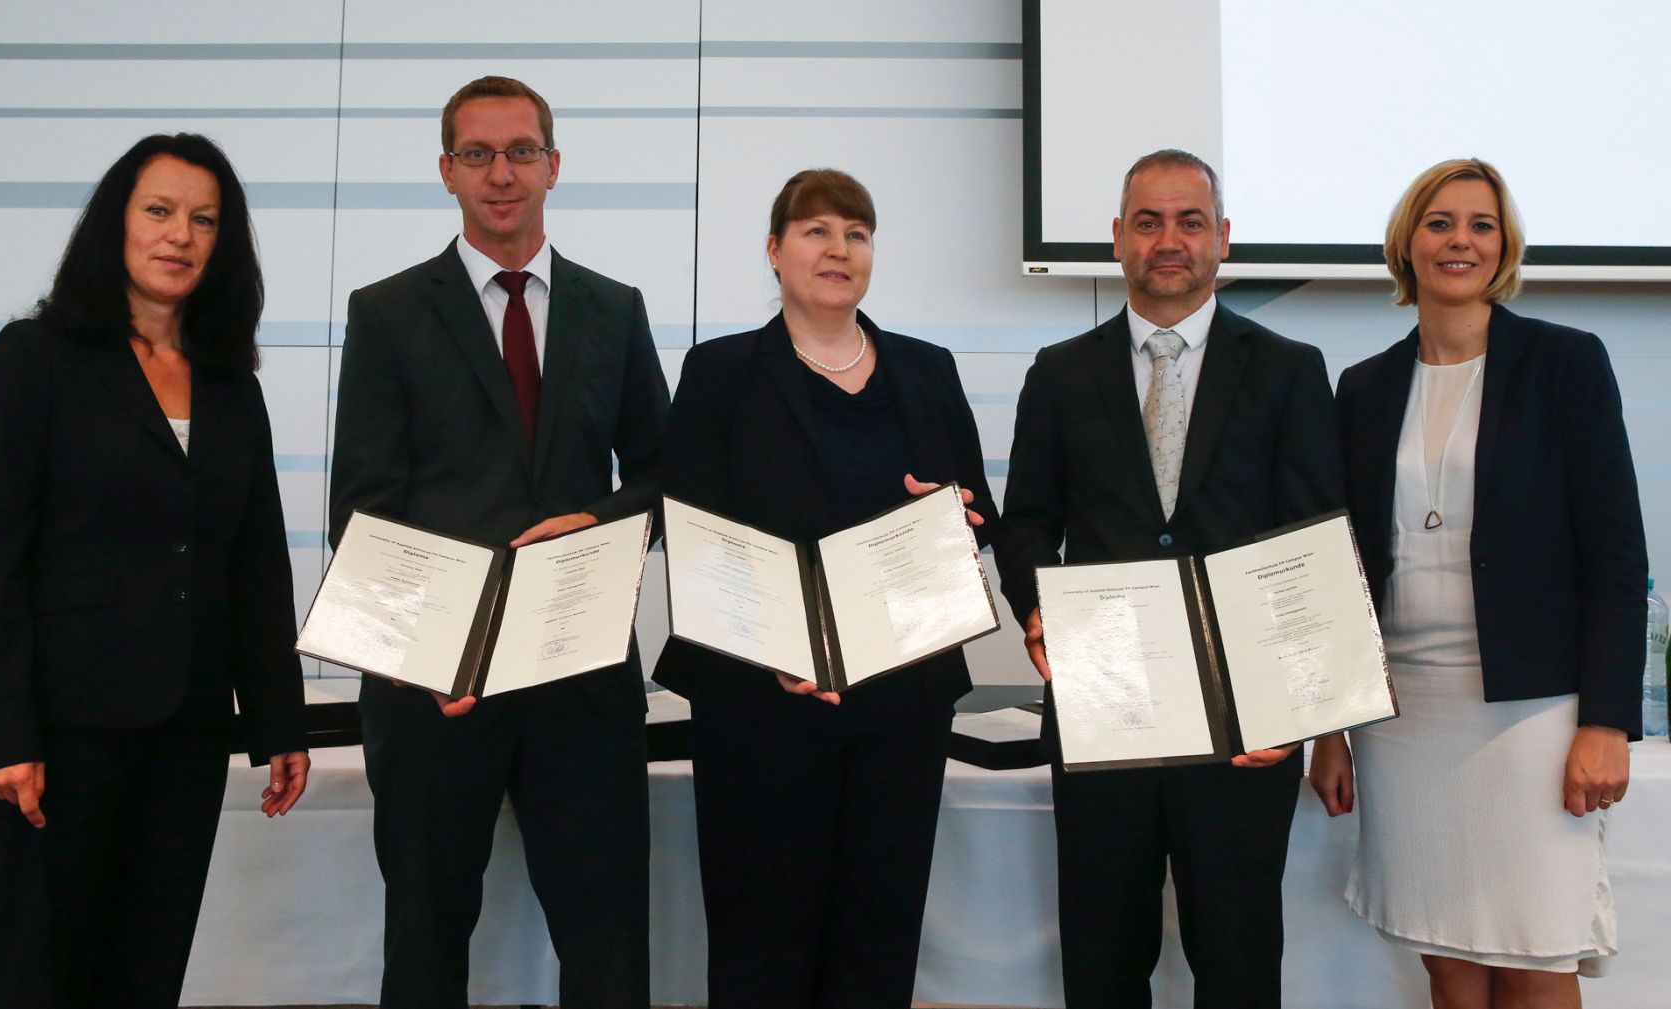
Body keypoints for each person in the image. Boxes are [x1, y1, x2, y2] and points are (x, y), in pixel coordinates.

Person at [328, 75, 669, 1009]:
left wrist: (597, 523)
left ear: (554, 166)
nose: (501, 173)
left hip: (580, 675)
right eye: (477, 154)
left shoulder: (614, 307)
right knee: (427, 942)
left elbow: (665, 479)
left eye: (521, 151)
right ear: (446, 173)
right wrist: (424, 650)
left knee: (606, 947)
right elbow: (361, 512)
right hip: (436, 689)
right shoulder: (387, 312)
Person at [0, 132, 310, 1008]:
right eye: (159, 211)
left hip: (185, 731)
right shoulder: (35, 358)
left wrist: (278, 715)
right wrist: (1, 735)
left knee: (147, 975)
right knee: (44, 976)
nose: (179, 235)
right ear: (116, 221)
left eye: (203, 219)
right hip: (57, 739)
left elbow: (254, 559)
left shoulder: (231, 381)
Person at [996, 149, 1342, 1009]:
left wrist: (1305, 706)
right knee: (1104, 963)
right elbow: (1030, 519)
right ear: (1117, 239)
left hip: (1244, 717)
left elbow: (1315, 540)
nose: (1169, 240)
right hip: (1103, 703)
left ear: (1223, 239)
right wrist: (1040, 610)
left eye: (1190, 221)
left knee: (1237, 961)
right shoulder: (1060, 371)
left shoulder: (1290, 369)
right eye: (1148, 222)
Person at [652, 168, 996, 1009]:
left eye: (856, 233)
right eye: (816, 231)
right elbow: (689, 530)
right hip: (758, 703)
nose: (838, 249)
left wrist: (953, 517)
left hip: (901, 703)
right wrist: (769, 646)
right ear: (774, 251)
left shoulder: (928, 370)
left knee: (878, 939)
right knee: (760, 943)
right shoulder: (720, 371)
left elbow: (979, 512)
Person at [1309, 158, 1643, 1009]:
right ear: (1407, 244)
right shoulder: (1366, 387)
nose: (1461, 239)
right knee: (1447, 956)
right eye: (1441, 222)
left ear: (1504, 247)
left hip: (1534, 712)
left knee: (1535, 949)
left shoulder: (1565, 363)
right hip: (1405, 715)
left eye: (1481, 224)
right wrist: (1332, 728)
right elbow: (1344, 568)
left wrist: (1606, 719)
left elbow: (1615, 555)